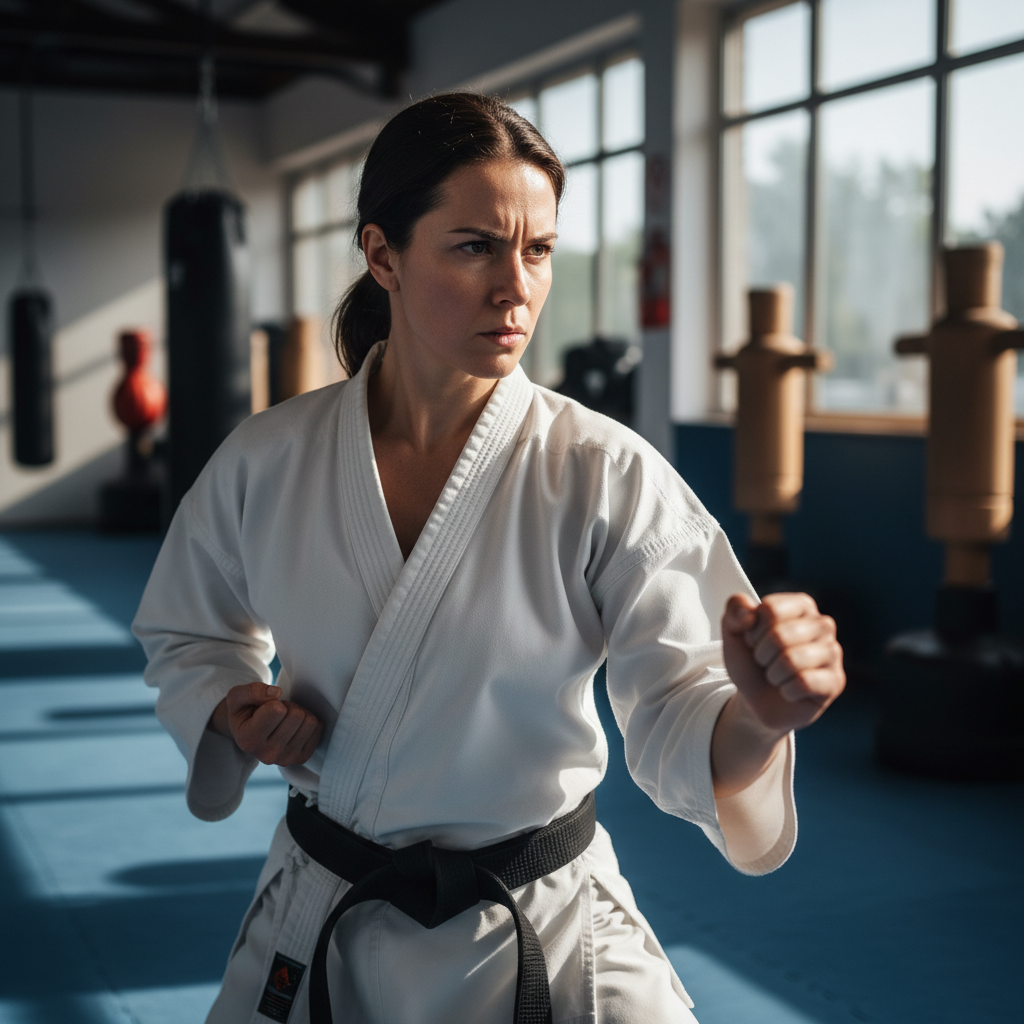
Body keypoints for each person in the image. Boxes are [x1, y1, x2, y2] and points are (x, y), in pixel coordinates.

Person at [133, 92, 845, 1024]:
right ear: (383, 254)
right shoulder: (268, 459)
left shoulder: (602, 470)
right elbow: (188, 631)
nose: (517, 287)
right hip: (332, 915)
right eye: (475, 247)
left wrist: (760, 715)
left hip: (543, 921)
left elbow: (683, 704)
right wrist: (234, 708)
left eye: (538, 250)